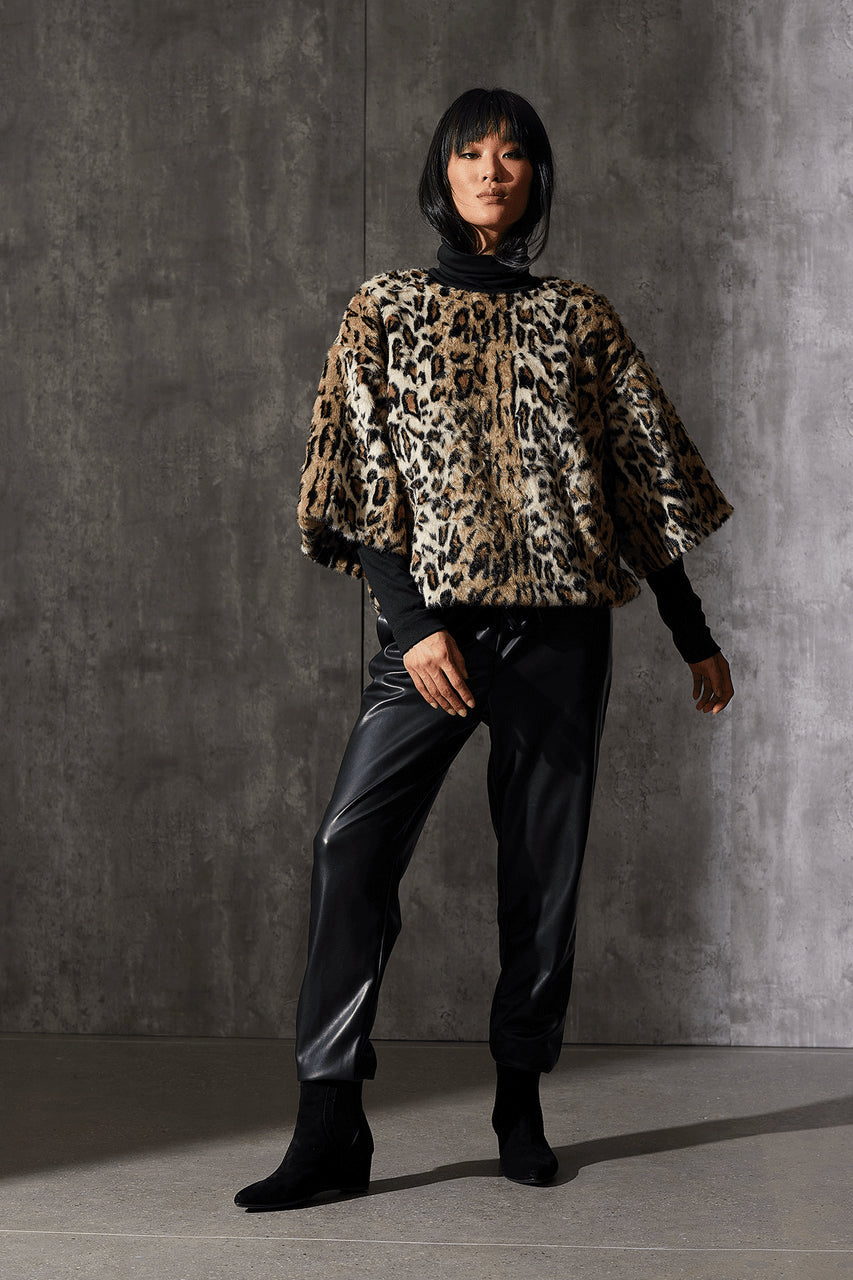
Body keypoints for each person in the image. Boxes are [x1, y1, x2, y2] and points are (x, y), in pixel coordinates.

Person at [234, 87, 733, 1212]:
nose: (493, 169)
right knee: (348, 849)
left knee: (540, 877)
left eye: (513, 154)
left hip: (562, 631)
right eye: (472, 152)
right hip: (436, 636)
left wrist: (691, 632)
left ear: (536, 176)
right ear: (442, 172)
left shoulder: (580, 317)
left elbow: (638, 484)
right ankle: (328, 1119)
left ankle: (519, 1099)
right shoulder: (386, 308)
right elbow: (359, 479)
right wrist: (414, 628)